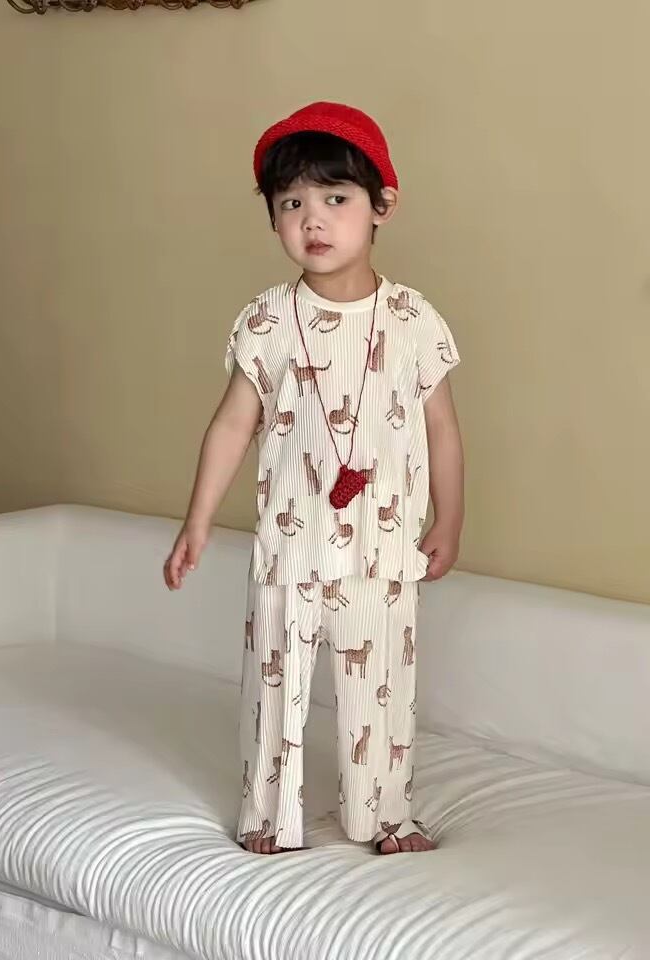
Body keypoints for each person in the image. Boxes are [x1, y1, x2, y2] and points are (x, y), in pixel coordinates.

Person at [164, 102, 464, 856]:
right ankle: (269, 814)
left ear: (382, 205)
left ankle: (384, 815)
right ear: (273, 219)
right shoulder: (268, 320)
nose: (314, 219)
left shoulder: (413, 319)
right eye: (291, 203)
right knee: (274, 686)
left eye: (335, 198)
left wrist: (451, 519)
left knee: (381, 687)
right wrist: (197, 520)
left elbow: (442, 428)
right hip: (289, 548)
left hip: (382, 549)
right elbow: (232, 425)